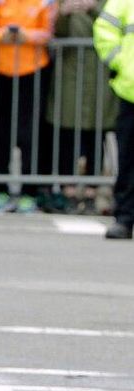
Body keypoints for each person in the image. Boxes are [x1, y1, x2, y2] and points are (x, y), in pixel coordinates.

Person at [0, 0, 57, 213]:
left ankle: (29, 192)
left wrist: (25, 36)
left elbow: (48, 32)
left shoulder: (45, 1)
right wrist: (3, 35)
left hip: (33, 71)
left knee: (30, 133)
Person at [45, 0, 118, 215]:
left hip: (101, 76)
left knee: (96, 134)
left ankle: (92, 192)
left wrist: (93, 8)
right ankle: (68, 190)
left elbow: (113, 28)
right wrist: (64, 13)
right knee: (67, 134)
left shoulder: (110, 3)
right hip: (71, 75)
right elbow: (57, 32)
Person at [94, 0, 134, 239]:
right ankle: (125, 218)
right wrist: (122, 63)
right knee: (128, 161)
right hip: (130, 91)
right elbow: (103, 30)